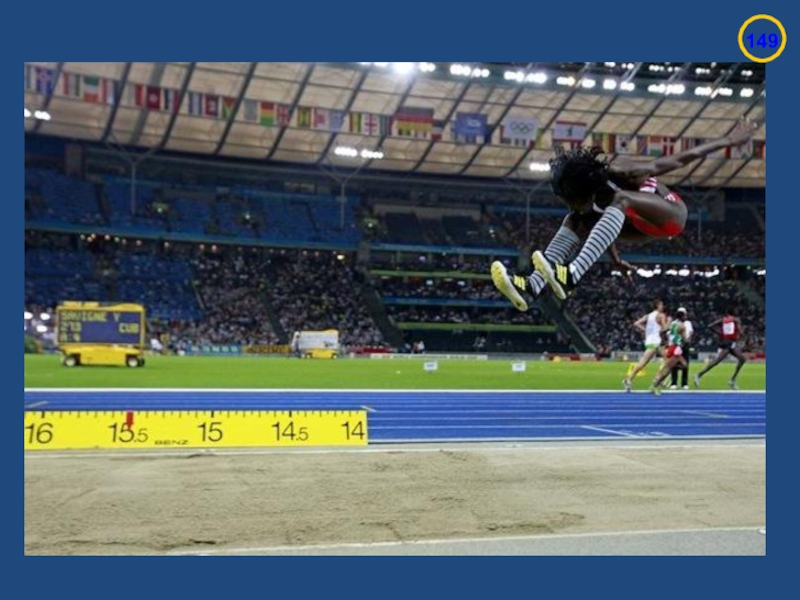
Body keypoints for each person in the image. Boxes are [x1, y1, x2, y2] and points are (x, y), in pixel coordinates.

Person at [491, 118, 758, 310]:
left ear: (588, 188)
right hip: (636, 226)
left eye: (574, 199)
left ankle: (572, 275)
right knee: (574, 220)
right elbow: (603, 227)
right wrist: (617, 261)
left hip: (669, 216)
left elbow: (679, 159)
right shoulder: (585, 199)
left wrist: (728, 141)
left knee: (621, 199)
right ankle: (531, 287)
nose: (572, 204)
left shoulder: (624, 172)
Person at [623, 299, 667, 392]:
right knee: (644, 363)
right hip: (655, 341)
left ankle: (658, 379)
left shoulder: (649, 315)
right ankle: (629, 379)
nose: (663, 306)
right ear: (657, 306)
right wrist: (669, 324)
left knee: (667, 360)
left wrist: (646, 330)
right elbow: (664, 329)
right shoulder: (661, 315)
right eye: (661, 305)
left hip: (650, 341)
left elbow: (637, 323)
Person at [694, 314, 748, 390]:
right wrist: (743, 336)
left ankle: (732, 380)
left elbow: (710, 326)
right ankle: (699, 375)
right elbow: (740, 331)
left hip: (727, 342)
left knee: (742, 359)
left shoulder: (723, 320)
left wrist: (720, 333)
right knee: (717, 360)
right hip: (730, 343)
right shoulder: (736, 320)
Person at [649, 316, 687, 395]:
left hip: (673, 347)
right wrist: (684, 339)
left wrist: (667, 342)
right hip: (676, 348)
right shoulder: (681, 326)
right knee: (667, 369)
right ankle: (654, 385)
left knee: (683, 365)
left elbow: (665, 333)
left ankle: (657, 381)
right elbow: (685, 339)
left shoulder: (673, 324)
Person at [669, 307, 694, 389]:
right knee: (675, 364)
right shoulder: (675, 323)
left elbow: (690, 333)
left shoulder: (688, 323)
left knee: (685, 364)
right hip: (678, 344)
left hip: (683, 345)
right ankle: (674, 382)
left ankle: (684, 383)